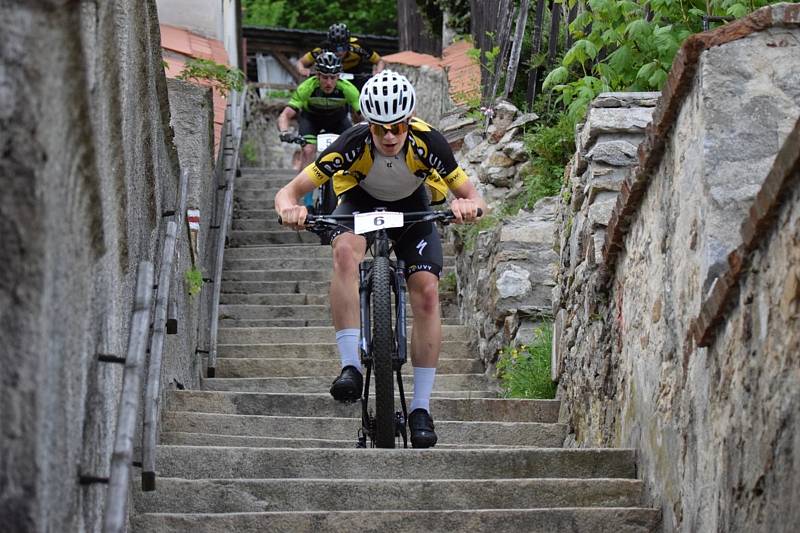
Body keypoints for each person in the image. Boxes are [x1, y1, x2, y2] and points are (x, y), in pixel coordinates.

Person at [274, 71, 487, 449]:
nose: (389, 137)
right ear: (367, 125)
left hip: (413, 207)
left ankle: (421, 407)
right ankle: (351, 366)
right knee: (343, 251)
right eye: (380, 129)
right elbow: (289, 192)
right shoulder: (351, 142)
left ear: (410, 120)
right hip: (361, 201)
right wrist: (291, 210)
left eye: (398, 127)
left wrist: (467, 205)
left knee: (427, 293)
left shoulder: (428, 142)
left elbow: (472, 193)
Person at [296, 23, 385, 90]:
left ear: (348, 43)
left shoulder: (358, 45)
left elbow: (379, 61)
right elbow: (301, 62)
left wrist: (378, 72)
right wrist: (302, 69)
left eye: (343, 47)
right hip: (331, 74)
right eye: (335, 48)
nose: (340, 52)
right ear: (330, 44)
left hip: (355, 73)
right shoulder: (323, 47)